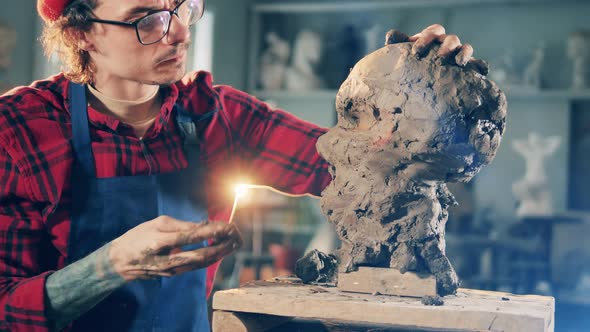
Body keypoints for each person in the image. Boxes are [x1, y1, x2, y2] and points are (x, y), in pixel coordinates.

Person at [0, 0, 475, 331]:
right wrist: (108, 267)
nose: (181, 31)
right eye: (147, 19)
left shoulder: (216, 115)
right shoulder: (17, 132)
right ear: (80, 32)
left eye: (181, 7)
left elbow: (360, 170)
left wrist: (417, 86)